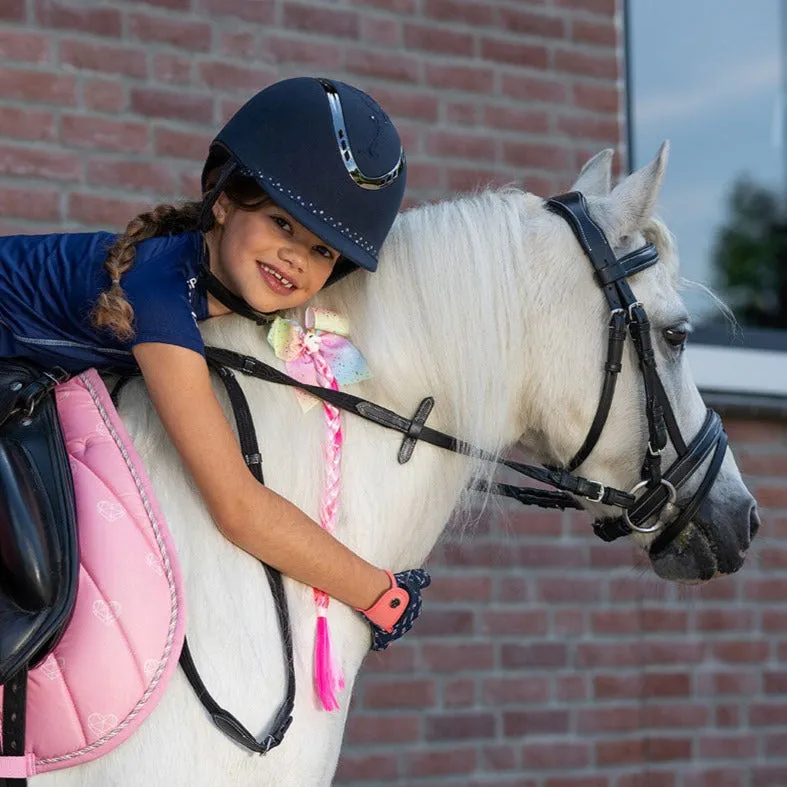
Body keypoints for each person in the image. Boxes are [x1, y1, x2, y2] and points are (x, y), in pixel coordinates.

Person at [0, 76, 429, 650]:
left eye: (322, 250)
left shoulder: (214, 288)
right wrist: (377, 592)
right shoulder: (158, 295)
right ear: (224, 200)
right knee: (29, 577)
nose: (294, 257)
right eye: (283, 224)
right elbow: (237, 505)